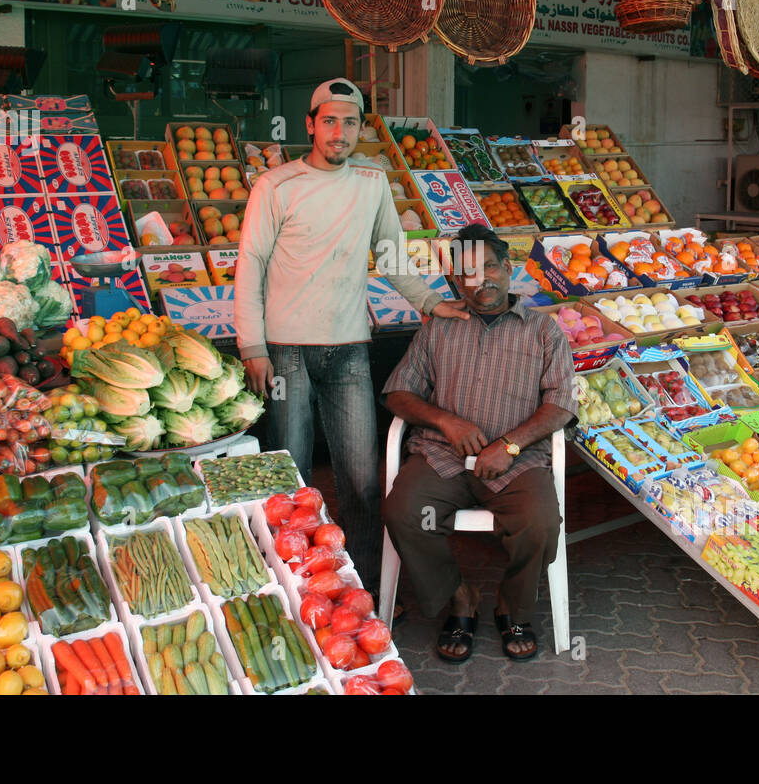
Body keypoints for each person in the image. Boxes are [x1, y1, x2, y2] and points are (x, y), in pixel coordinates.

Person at [234, 78, 468, 588]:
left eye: (350, 122)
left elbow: (390, 254)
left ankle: (361, 581)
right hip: (286, 351)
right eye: (330, 121)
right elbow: (250, 264)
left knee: (361, 480)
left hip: (350, 352)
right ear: (310, 125)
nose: (339, 132)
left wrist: (430, 302)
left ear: (361, 128)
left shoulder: (371, 183)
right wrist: (252, 345)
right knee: (292, 478)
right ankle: (295, 586)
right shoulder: (275, 186)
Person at [383, 224, 576, 662]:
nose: (481, 279)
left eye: (490, 266)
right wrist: (444, 421)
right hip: (441, 459)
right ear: (454, 281)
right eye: (467, 272)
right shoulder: (438, 330)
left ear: (508, 269)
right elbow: (398, 392)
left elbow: (561, 405)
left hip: (517, 464)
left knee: (540, 522)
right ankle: (459, 597)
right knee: (404, 512)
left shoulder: (543, 331)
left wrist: (508, 445)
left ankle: (513, 606)